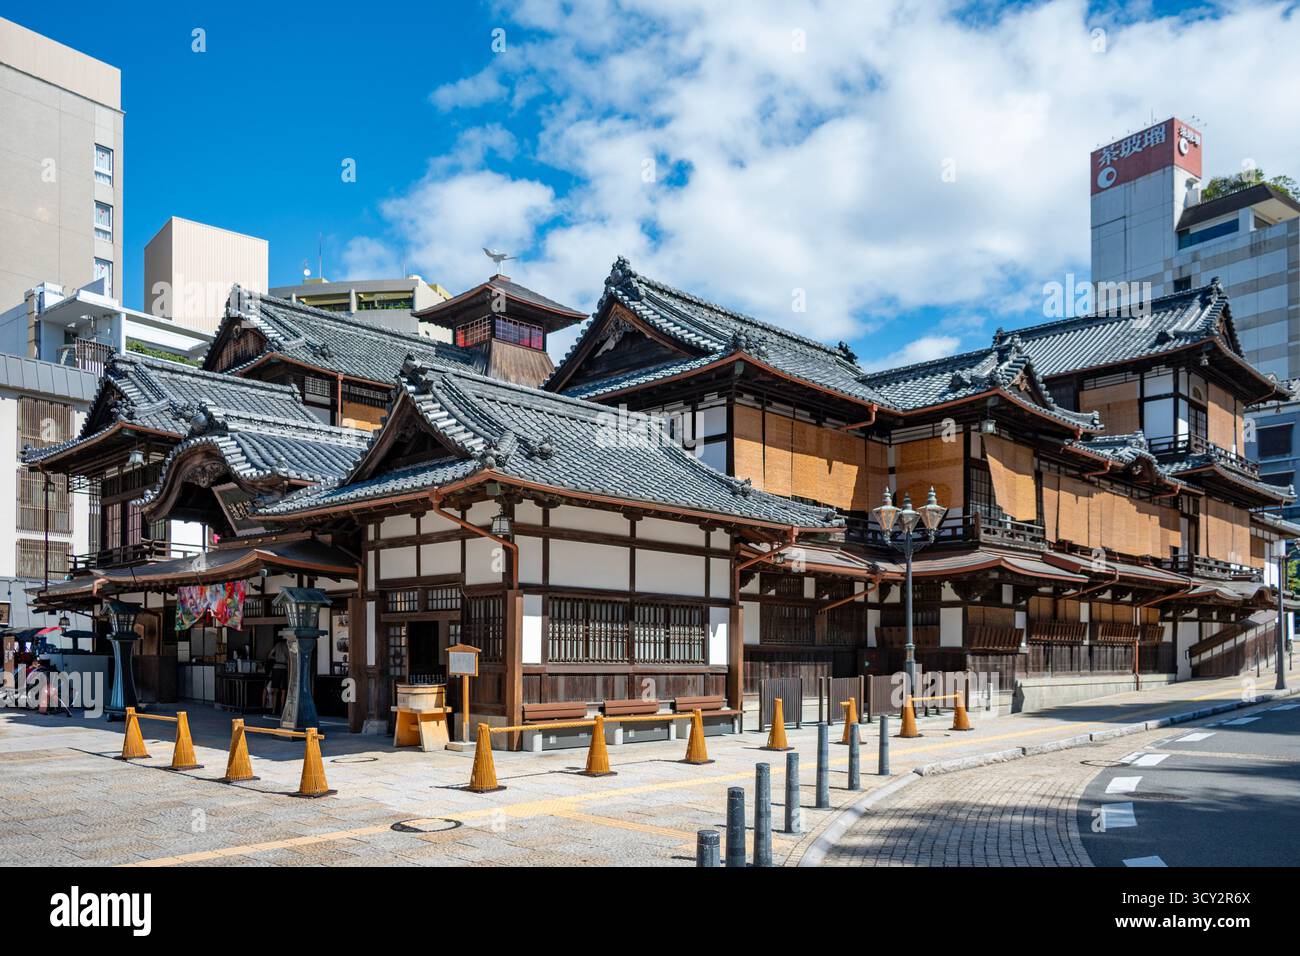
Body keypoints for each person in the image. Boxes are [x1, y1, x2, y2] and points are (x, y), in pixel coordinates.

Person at [267, 638, 289, 714]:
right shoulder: (286, 646)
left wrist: (276, 658)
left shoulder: (277, 645)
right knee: (283, 690)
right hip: (283, 668)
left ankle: (273, 709)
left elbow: (269, 655)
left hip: (276, 667)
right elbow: (288, 658)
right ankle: (281, 710)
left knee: (275, 690)